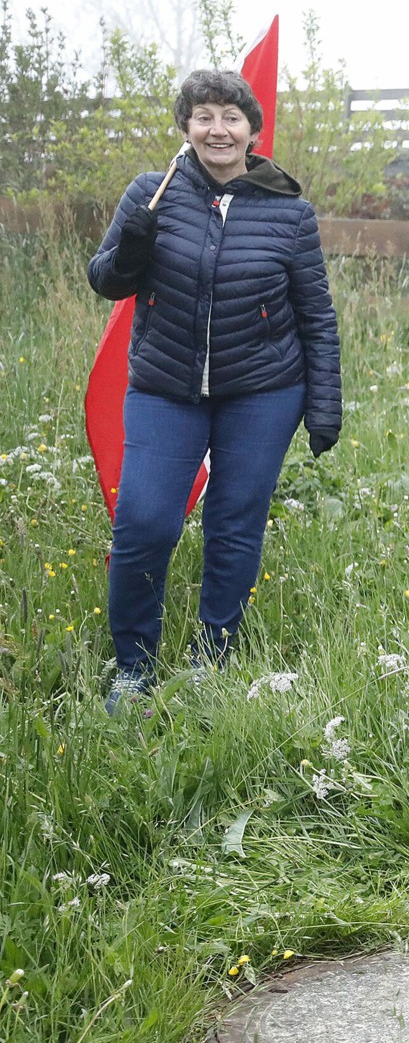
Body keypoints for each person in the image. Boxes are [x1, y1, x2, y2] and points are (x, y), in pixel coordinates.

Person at [86, 69, 342, 709]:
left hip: (263, 391)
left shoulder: (289, 210)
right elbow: (107, 282)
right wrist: (131, 248)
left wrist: (324, 404)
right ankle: (134, 669)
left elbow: (316, 314)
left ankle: (212, 658)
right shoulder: (151, 194)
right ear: (187, 127)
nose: (218, 129)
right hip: (166, 385)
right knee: (143, 523)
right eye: (204, 116)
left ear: (252, 130)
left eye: (231, 116)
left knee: (234, 524)